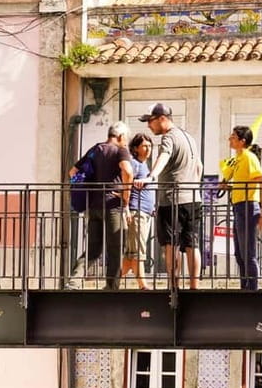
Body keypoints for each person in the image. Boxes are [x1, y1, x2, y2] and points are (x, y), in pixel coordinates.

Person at [140, 103, 203, 290]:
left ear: (162, 118)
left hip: (172, 200)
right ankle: (194, 286)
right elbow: (199, 167)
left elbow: (164, 157)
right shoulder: (189, 138)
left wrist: (151, 177)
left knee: (171, 244)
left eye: (150, 121)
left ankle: (173, 287)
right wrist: (194, 186)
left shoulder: (169, 138)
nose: (148, 126)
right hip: (193, 198)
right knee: (193, 243)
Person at [69, 121, 134, 290]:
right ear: (120, 136)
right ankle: (112, 287)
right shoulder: (120, 150)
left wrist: (84, 192)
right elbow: (127, 171)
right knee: (115, 248)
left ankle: (74, 282)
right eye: (126, 138)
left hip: (94, 206)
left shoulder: (95, 149)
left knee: (92, 248)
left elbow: (73, 172)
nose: (126, 142)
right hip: (113, 205)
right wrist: (125, 197)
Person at [226, 126, 262, 290]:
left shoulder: (249, 158)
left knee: (248, 252)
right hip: (238, 206)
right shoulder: (238, 158)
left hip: (248, 207)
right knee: (239, 253)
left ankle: (252, 288)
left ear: (242, 141)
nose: (230, 138)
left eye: (233, 136)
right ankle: (245, 286)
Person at [123, 133, 155, 289]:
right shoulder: (134, 164)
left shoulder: (145, 165)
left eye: (149, 145)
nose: (148, 149)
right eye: (144, 146)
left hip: (146, 212)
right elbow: (126, 185)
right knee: (138, 250)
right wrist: (126, 209)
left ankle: (112, 281)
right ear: (136, 148)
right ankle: (143, 284)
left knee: (132, 254)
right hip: (137, 210)